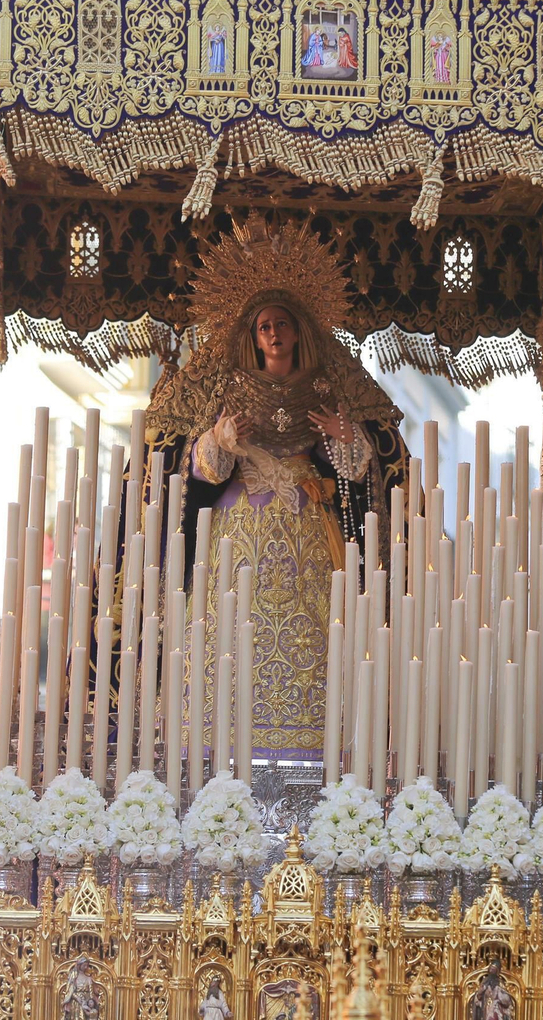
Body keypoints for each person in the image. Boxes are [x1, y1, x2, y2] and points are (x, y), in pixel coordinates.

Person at [143, 222, 407, 760]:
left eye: (282, 324)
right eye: (264, 326)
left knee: (312, 630)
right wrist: (221, 438)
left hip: (309, 526)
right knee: (231, 629)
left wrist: (344, 436)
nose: (273, 334)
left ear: (298, 330)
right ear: (252, 334)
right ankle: (223, 735)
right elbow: (202, 471)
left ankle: (312, 737)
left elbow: (356, 473)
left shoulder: (325, 385)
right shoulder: (230, 384)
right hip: (239, 527)